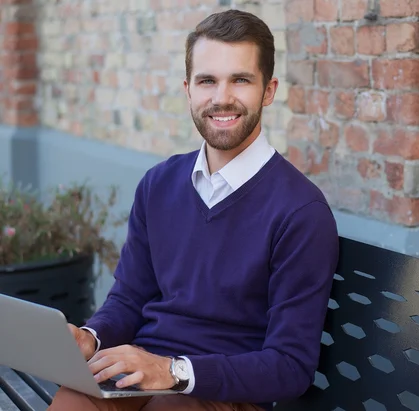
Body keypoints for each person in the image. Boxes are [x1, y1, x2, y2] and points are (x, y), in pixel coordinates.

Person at [48, 9, 339, 411]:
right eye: (207, 81)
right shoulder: (159, 183)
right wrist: (91, 337)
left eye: (240, 79)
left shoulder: (301, 211)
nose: (222, 98)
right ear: (188, 89)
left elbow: (290, 367)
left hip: (224, 393)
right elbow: (130, 298)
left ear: (268, 90)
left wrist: (174, 372)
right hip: (140, 374)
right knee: (73, 400)